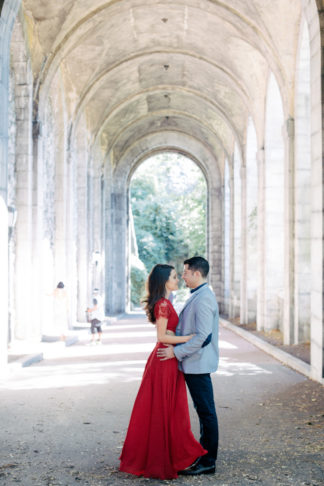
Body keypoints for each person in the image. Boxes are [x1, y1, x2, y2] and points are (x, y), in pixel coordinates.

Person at [119, 264, 207, 480]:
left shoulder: (166, 303)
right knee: (163, 409)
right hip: (163, 360)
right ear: (164, 281)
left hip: (166, 358)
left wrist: (176, 336)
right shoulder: (163, 304)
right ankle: (161, 459)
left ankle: (168, 456)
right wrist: (188, 338)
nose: (178, 280)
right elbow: (162, 337)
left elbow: (167, 333)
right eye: (174, 277)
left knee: (169, 409)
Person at [157, 256, 219, 476]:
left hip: (198, 363)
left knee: (206, 413)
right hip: (194, 363)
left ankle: (208, 461)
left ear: (196, 274)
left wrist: (177, 351)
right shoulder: (199, 296)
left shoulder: (203, 299)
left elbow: (203, 336)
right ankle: (204, 457)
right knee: (204, 412)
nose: (182, 276)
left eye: (185, 272)